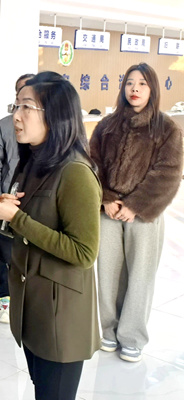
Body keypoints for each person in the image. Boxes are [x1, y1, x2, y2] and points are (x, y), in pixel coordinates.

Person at [0, 72, 101, 400]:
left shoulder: (75, 172)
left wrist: (17, 218)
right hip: (34, 306)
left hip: (60, 315)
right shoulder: (33, 162)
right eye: (16, 106)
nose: (16, 116)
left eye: (26, 107)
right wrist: (2, 214)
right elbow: (22, 224)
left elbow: (83, 252)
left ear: (55, 115)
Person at [90, 63, 183, 363]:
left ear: (152, 88)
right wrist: (106, 198)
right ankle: (108, 330)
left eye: (142, 83)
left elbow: (168, 173)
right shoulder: (106, 125)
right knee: (108, 272)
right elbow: (92, 163)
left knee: (140, 275)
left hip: (144, 213)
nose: (135, 89)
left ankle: (132, 337)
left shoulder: (166, 128)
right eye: (130, 82)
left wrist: (135, 205)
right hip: (108, 210)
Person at [0, 73, 34, 323]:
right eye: (21, 93)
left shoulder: (53, 126)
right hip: (8, 202)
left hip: (39, 203)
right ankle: (4, 299)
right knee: (5, 254)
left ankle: (31, 303)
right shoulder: (3, 127)